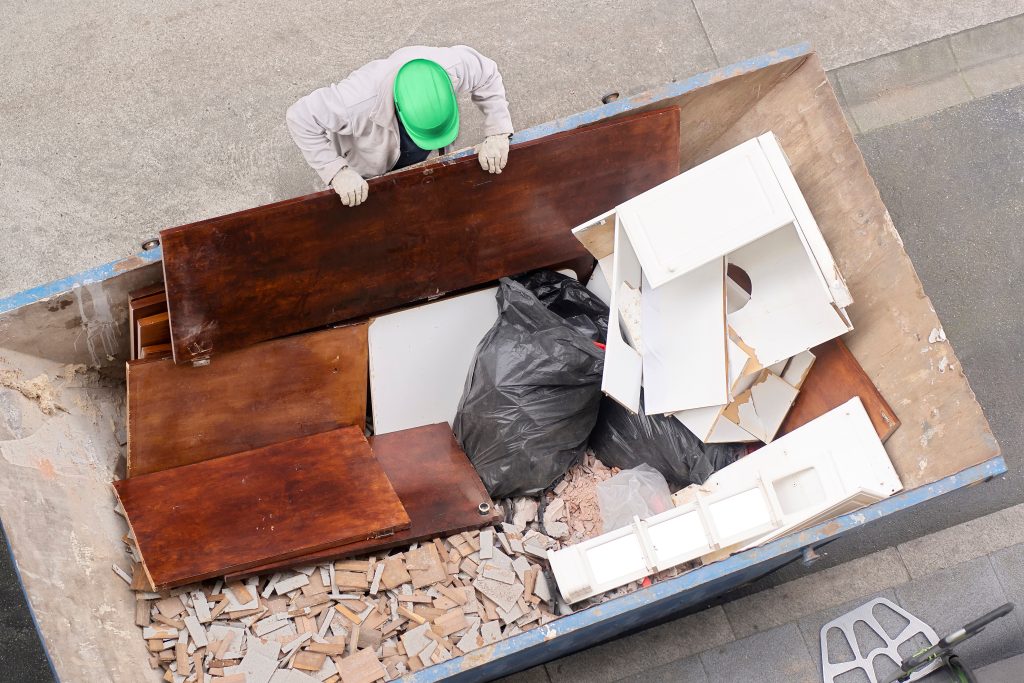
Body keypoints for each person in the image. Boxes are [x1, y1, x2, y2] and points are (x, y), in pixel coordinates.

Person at [286, 45, 514, 207]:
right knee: (364, 208)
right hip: (365, 155)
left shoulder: (452, 68)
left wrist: (498, 132)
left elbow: (488, 73)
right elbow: (299, 117)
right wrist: (338, 172)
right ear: (397, 110)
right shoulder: (356, 102)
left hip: (403, 135)